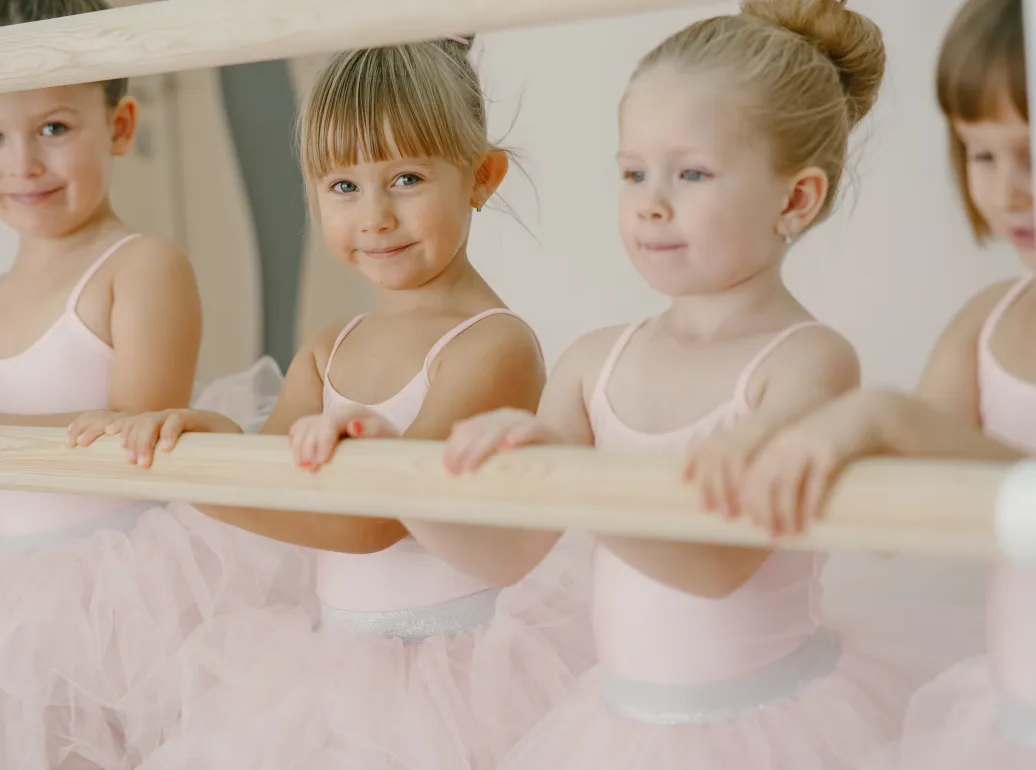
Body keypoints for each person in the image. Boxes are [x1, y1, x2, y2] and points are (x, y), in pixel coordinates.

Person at [80, 35, 595, 770]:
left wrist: (190, 483)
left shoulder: (492, 345)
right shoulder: (328, 346)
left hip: (454, 681)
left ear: (481, 177)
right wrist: (209, 435)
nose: (375, 215)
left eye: (407, 177)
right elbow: (277, 480)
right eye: (343, 186)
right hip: (336, 663)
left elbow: (371, 519)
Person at [442, 2, 927, 767]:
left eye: (691, 172)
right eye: (633, 171)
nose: (650, 201)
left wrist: (561, 476)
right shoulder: (591, 363)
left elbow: (715, 564)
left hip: (772, 726)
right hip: (618, 727)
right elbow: (506, 555)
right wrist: (383, 471)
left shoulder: (808, 364)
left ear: (795, 199)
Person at [0, 2, 305, 768]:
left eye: (54, 128)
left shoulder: (140, 266)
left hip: (121, 600)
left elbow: (129, 432)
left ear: (118, 126)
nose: (22, 163)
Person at [698, 1, 1036, 766]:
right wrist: (774, 437)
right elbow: (890, 527)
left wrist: (886, 416)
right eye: (982, 154)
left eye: (1034, 151)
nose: (1010, 189)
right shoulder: (985, 323)